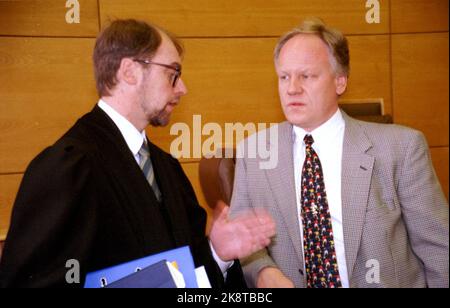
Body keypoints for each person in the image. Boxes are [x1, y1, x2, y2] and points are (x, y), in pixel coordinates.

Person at [0, 19, 275, 288]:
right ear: (129, 71)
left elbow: (186, 273)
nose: (182, 88)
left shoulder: (167, 168)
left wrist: (217, 252)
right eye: (172, 74)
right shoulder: (68, 167)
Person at [230, 18, 449, 288]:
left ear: (340, 82)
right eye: (284, 76)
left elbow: (439, 251)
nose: (292, 88)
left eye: (306, 76)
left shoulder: (401, 148)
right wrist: (262, 270)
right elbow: (242, 235)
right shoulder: (254, 153)